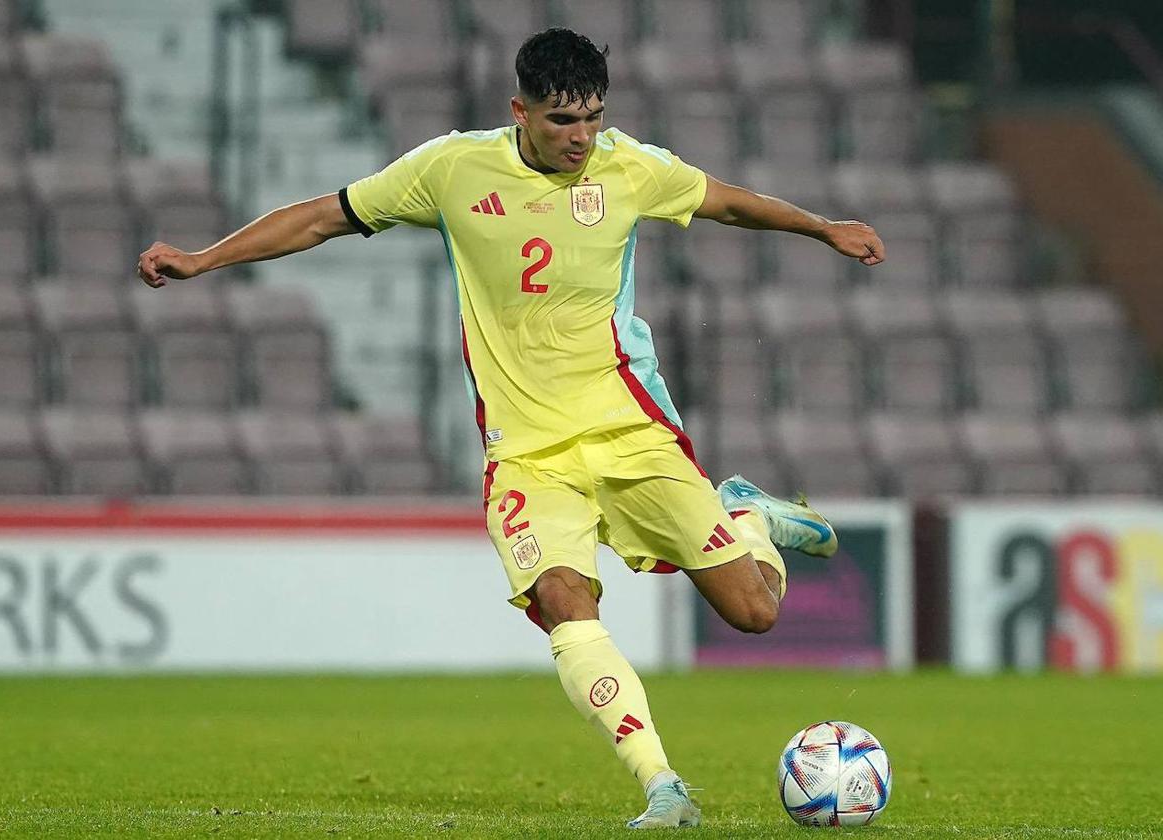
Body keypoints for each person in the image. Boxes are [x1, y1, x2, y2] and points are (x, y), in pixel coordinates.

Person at [137, 28, 885, 830]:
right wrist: (202, 260)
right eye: (564, 120)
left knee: (755, 614)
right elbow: (325, 217)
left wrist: (822, 227)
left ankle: (746, 516)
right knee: (565, 601)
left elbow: (728, 200)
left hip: (629, 429)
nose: (582, 137)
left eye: (594, 117)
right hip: (527, 453)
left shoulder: (630, 167)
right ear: (519, 110)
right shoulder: (452, 169)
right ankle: (662, 785)